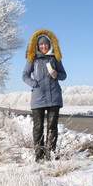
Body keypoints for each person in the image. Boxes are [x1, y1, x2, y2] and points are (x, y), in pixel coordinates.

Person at [22, 28, 67, 162]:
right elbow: (24, 75)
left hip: (54, 97)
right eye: (41, 44)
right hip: (38, 98)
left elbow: (64, 75)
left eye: (45, 44)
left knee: (52, 127)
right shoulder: (33, 59)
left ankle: (50, 153)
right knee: (38, 127)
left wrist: (56, 75)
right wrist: (34, 84)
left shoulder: (55, 58)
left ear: (49, 45)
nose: (43, 46)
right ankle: (39, 154)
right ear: (37, 46)